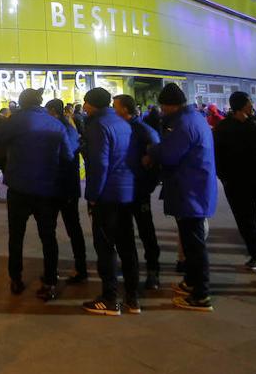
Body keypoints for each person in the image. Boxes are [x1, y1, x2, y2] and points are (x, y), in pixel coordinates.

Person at [0, 87, 76, 301]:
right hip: (48, 190)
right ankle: (50, 281)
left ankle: (16, 279)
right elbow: (68, 155)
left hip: (19, 188)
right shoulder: (55, 123)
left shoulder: (16, 121)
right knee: (48, 237)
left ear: (21, 102)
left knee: (16, 236)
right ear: (40, 102)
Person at [146, 82, 217, 312]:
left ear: (170, 105)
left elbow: (169, 155)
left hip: (191, 190)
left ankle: (201, 295)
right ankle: (192, 282)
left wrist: (151, 151)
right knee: (190, 243)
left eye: (163, 106)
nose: (162, 110)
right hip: (193, 188)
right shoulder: (193, 119)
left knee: (194, 246)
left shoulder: (184, 124)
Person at [80, 87, 139, 315]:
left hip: (108, 194)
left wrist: (93, 197)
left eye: (86, 103)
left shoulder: (98, 126)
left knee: (105, 246)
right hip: (126, 192)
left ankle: (109, 298)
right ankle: (132, 298)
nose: (84, 107)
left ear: (93, 104)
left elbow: (99, 165)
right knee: (127, 245)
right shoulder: (122, 124)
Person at [213, 91, 256, 271]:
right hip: (237, 183)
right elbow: (217, 155)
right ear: (241, 105)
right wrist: (224, 179)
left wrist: (248, 121)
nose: (252, 104)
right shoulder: (223, 127)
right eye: (249, 102)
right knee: (246, 221)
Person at [115, 94, 161, 290]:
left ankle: (153, 270)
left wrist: (149, 169)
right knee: (125, 232)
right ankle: (131, 268)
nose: (113, 109)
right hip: (124, 187)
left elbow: (156, 148)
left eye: (115, 105)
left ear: (125, 109)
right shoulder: (126, 127)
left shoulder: (141, 128)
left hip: (138, 188)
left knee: (145, 231)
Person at [46, 98, 88, 285]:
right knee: (70, 228)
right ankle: (77, 267)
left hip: (61, 185)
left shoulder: (61, 129)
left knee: (62, 228)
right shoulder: (67, 127)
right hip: (66, 186)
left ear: (53, 111)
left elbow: (68, 154)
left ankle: (78, 268)